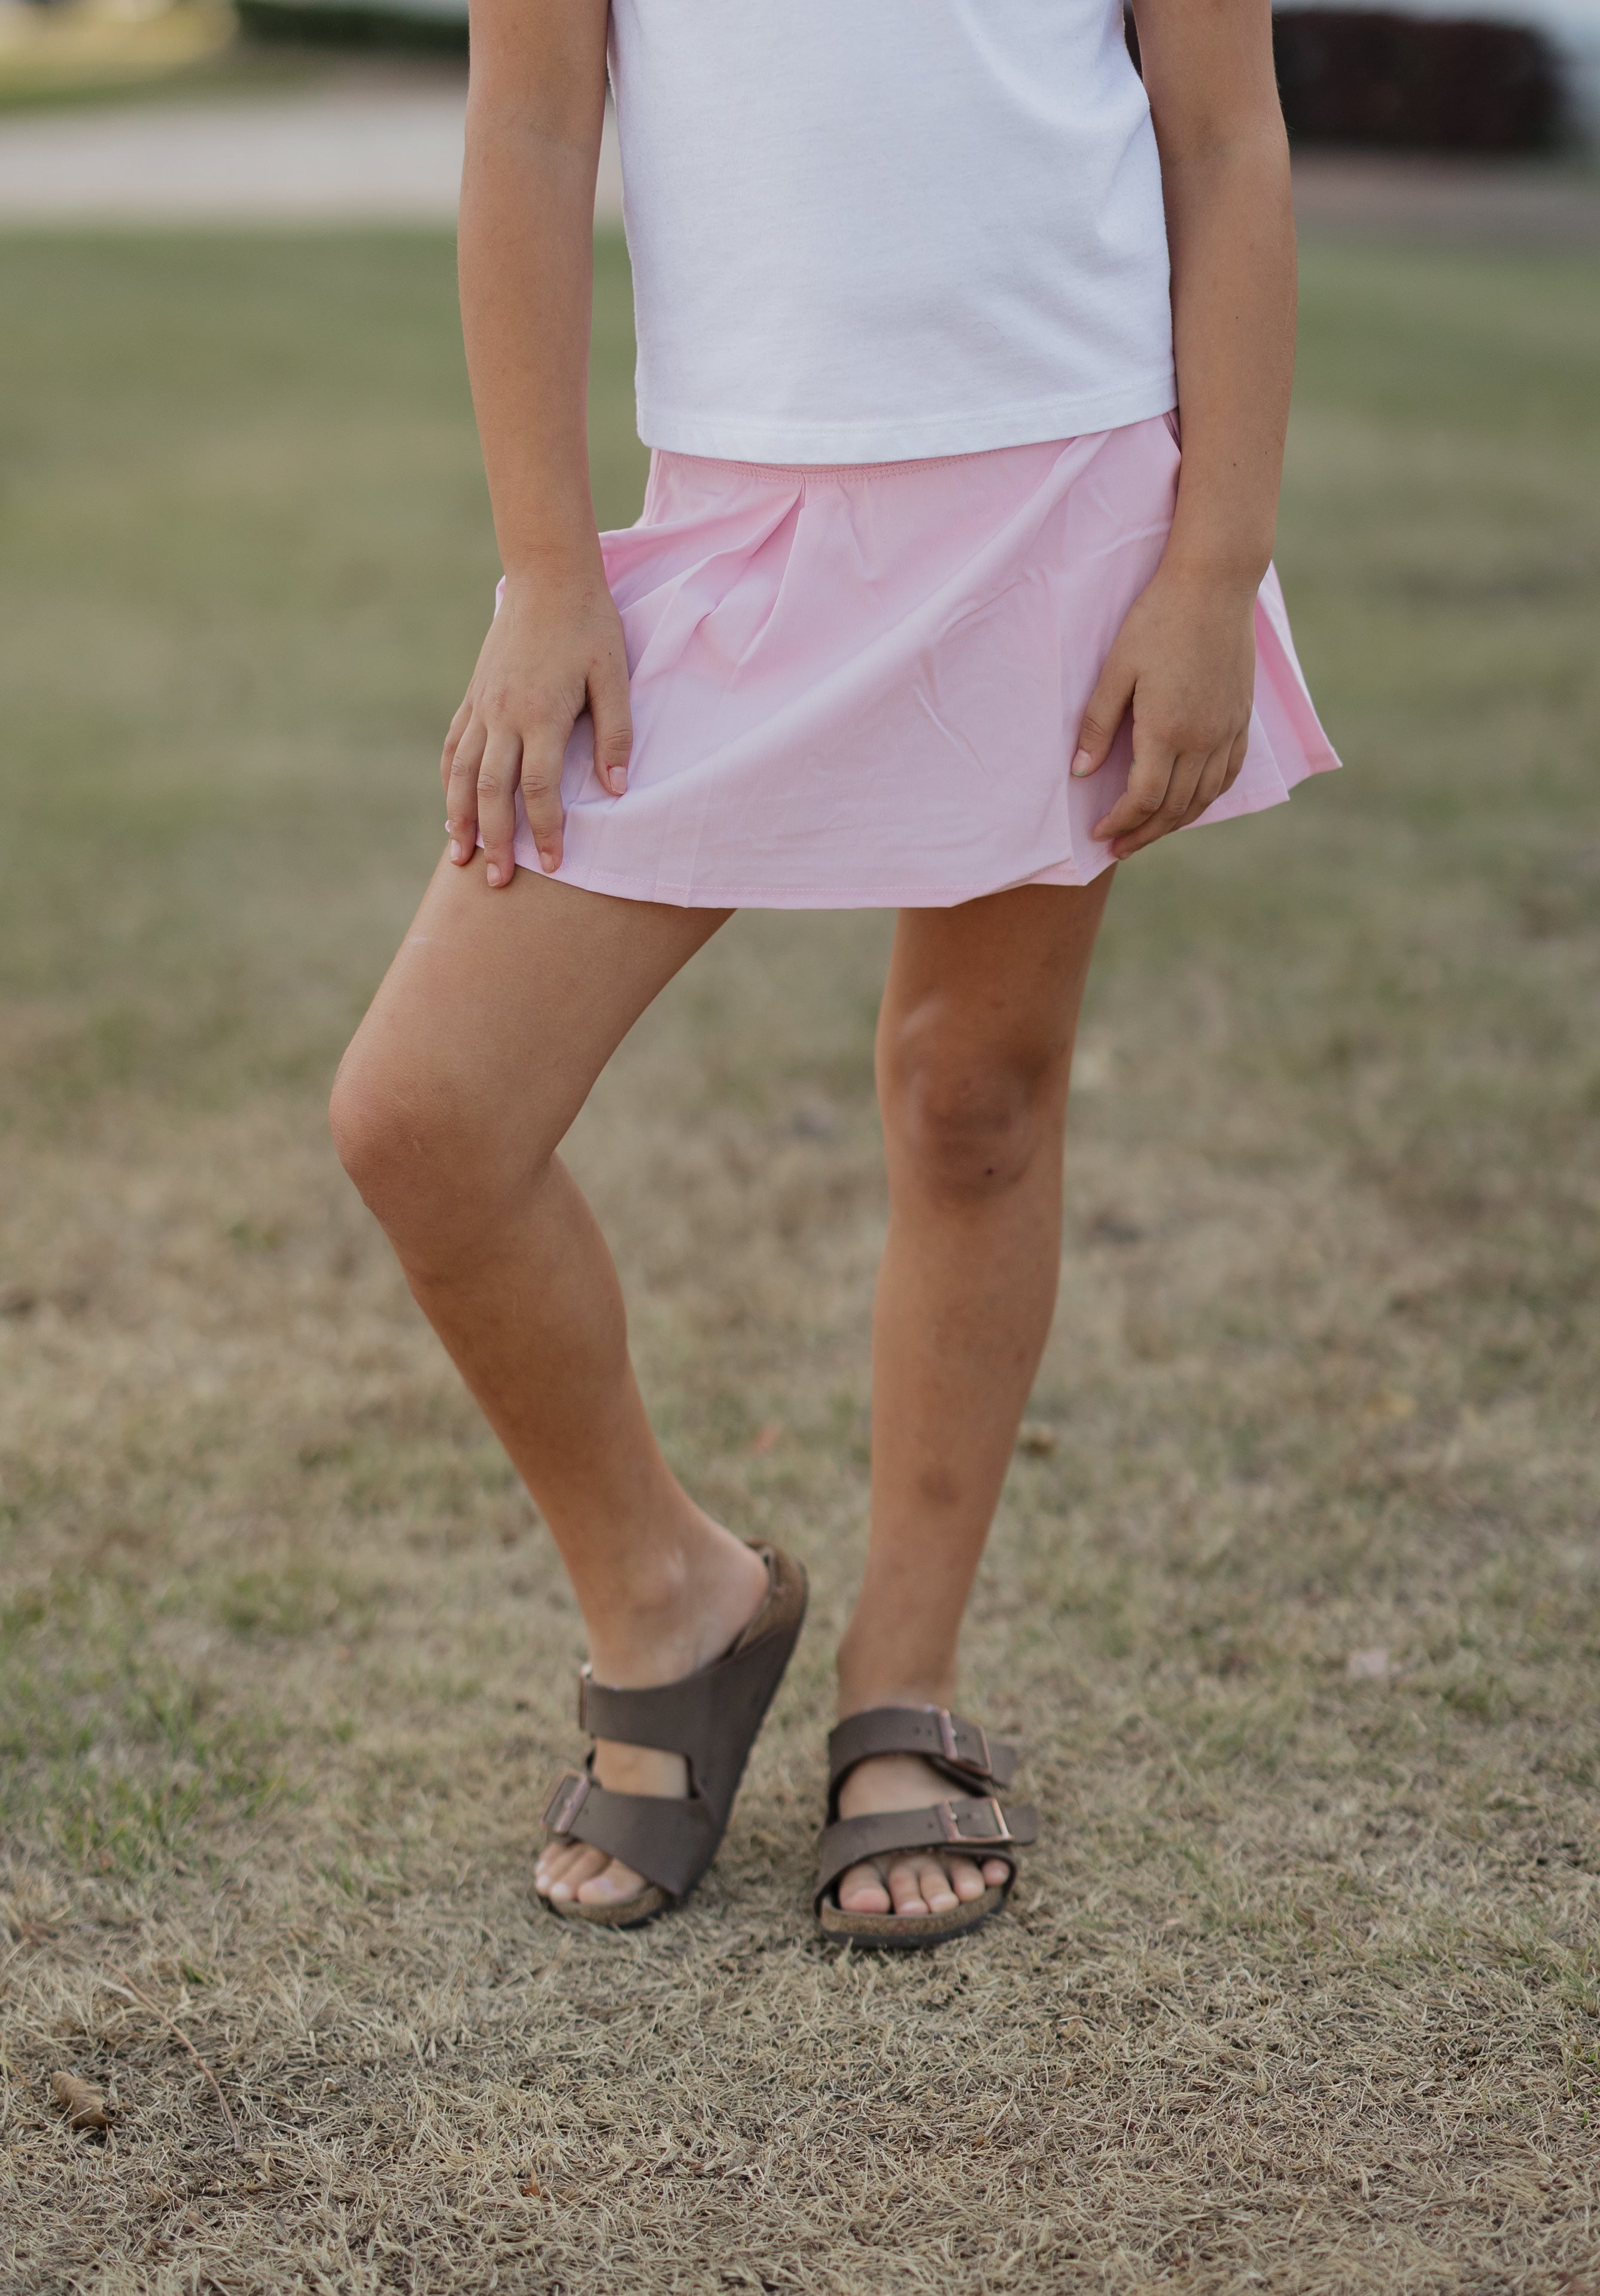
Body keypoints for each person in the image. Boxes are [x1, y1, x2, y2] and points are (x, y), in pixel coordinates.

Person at [330, 0, 1339, 1948]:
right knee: (424, 1112)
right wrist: (548, 569)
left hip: (1066, 507)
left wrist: (1212, 566)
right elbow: (530, 128)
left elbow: (1223, 138)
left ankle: (904, 1681)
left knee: (973, 1091)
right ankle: (670, 1600)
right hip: (732, 527)